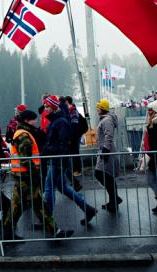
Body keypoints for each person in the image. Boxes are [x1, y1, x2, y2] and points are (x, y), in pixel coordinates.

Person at [1, 110, 72, 239]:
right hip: (27, 176)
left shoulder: (22, 133)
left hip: (23, 176)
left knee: (22, 205)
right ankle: (55, 231)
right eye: (34, 119)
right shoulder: (24, 135)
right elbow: (26, 159)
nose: (36, 121)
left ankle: (8, 232)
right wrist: (34, 174)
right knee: (35, 205)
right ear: (27, 121)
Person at [42, 95, 97, 226]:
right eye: (45, 106)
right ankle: (88, 209)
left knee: (49, 188)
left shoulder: (60, 122)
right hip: (56, 159)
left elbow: (63, 144)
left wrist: (55, 158)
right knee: (63, 188)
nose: (45, 108)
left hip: (57, 160)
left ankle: (47, 220)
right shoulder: (58, 120)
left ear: (53, 107)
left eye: (47, 106)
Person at [94, 100, 121, 212]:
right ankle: (114, 200)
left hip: (107, 151)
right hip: (106, 150)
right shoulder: (105, 119)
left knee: (100, 174)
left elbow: (109, 135)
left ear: (102, 108)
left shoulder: (106, 120)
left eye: (98, 107)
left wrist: (105, 149)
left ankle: (114, 199)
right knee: (107, 176)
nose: (96, 109)